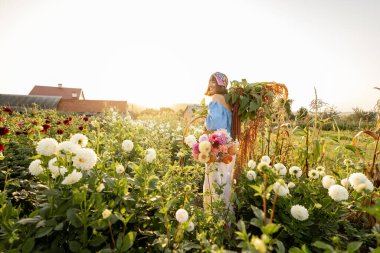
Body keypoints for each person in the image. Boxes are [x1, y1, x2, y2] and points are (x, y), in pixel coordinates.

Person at [203, 72, 236, 213]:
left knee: (214, 181)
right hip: (229, 146)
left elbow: (214, 124)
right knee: (225, 180)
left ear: (221, 85)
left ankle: (214, 216)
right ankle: (226, 217)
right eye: (210, 81)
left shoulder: (216, 98)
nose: (210, 84)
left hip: (218, 145)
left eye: (214, 82)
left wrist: (205, 126)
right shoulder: (229, 101)